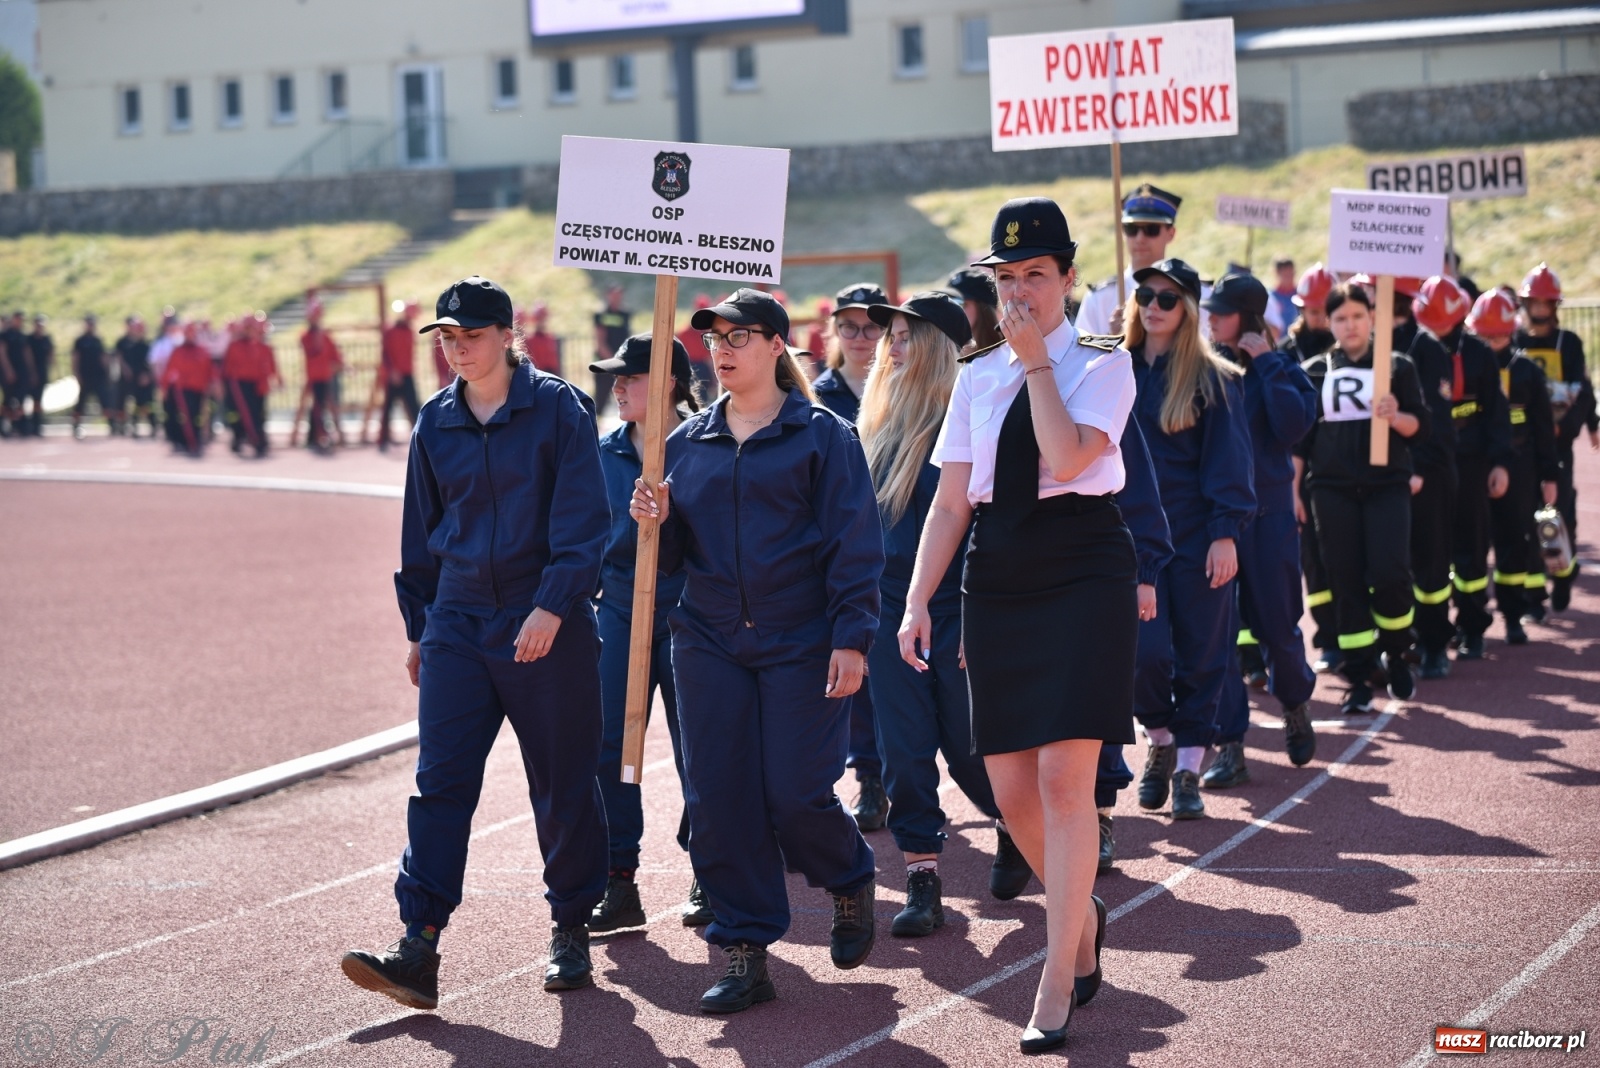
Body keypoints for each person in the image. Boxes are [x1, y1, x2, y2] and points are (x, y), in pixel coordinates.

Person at [342, 276, 611, 1011]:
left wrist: (554, 607)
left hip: (543, 628)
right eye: (448, 339)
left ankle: (570, 928)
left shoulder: (558, 409)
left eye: (471, 336)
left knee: (561, 786)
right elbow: (419, 536)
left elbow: (586, 523)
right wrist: (420, 627)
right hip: (458, 624)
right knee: (440, 785)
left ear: (506, 334)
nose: (458, 349)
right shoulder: (435, 421)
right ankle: (418, 946)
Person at [901, 198, 1131, 1052]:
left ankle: (1056, 971)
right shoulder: (976, 371)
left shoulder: (1102, 361)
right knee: (1009, 793)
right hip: (997, 572)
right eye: (1006, 278)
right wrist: (918, 598)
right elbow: (952, 500)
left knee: (1068, 783)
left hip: (1080, 566)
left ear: (1068, 278)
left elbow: (1070, 458)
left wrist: (1038, 366)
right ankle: (1084, 914)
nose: (1021, 291)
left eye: (1036, 274)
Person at [629, 287, 882, 1015]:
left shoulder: (823, 436)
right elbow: (671, 560)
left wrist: (852, 639)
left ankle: (847, 877)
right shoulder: (681, 444)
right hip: (707, 640)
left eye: (741, 337)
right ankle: (743, 946)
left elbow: (853, 548)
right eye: (715, 339)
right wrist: (658, 521)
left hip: (800, 640)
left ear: (777, 345)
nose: (724, 350)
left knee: (796, 793)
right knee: (718, 796)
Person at [854, 290, 1032, 933]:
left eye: (906, 336)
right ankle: (922, 876)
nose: (891, 347)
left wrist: (975, 613)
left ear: (941, 350)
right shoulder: (870, 425)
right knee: (902, 749)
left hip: (959, 607)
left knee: (968, 747)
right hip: (886, 610)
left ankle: (1016, 827)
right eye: (890, 336)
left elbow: (991, 526)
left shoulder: (980, 418)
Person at [1124, 259, 1255, 821]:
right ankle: (1160, 737)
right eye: (1145, 294)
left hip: (1199, 539)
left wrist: (1225, 534)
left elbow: (1230, 463)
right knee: (1141, 657)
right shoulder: (1111, 370)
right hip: (1131, 545)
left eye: (1168, 298)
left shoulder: (1215, 379)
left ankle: (1187, 769)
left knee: (1203, 657)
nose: (1153, 305)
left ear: (1189, 311)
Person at [585, 333, 705, 933]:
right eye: (615, 378)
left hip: (690, 614)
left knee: (700, 749)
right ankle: (618, 877)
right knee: (609, 747)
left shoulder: (704, 444)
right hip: (619, 614)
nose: (617, 387)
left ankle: (709, 869)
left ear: (667, 387)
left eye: (629, 377)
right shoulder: (602, 454)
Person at [1203, 272, 1318, 784]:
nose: (1210, 320)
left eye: (1221, 313)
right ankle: (1230, 745)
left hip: (1268, 522)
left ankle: (1294, 704)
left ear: (1247, 320)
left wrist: (1267, 362)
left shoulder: (1283, 366)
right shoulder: (1202, 370)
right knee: (1218, 637)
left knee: (1278, 628)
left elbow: (1296, 427)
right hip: (1215, 525)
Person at [1296, 283, 1430, 714]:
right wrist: (1293, 492)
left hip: (1386, 485)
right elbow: (1302, 440)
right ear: (1330, 323)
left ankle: (1396, 649)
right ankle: (1358, 674)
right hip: (1331, 490)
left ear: (1371, 318)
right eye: (1340, 318)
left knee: (1391, 572)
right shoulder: (1315, 370)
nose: (1349, 325)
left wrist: (1397, 415)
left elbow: (1420, 427)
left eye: (1357, 316)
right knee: (1345, 580)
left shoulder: (1397, 366)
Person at [815, 281, 891, 831]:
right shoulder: (816, 397)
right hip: (838, 547)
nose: (860, 337)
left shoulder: (907, 388)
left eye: (872, 326)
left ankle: (912, 770)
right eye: (849, 326)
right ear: (834, 331)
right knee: (855, 659)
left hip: (899, 543)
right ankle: (870, 773)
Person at [1412, 275, 1513, 663]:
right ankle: (1428, 632)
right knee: (1428, 551)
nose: (1436, 327)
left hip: (1471, 464)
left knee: (1471, 549)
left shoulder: (1479, 354)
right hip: (1432, 464)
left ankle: (1472, 628)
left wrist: (1501, 462)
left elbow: (1497, 414)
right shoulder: (1415, 351)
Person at [1471, 290, 1560, 643]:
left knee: (1513, 543)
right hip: (1475, 466)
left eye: (1499, 335)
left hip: (1520, 469)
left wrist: (1550, 475)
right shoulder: (1468, 366)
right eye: (1485, 336)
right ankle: (1469, 623)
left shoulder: (1526, 371)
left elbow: (1543, 429)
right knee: (1472, 548)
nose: (1492, 343)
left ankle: (1512, 615)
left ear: (1512, 332)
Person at [1514, 262, 1596, 613]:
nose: (1541, 310)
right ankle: (1535, 594)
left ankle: (1564, 573)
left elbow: (1583, 389)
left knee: (1560, 515)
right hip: (1522, 444)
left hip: (1559, 443)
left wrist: (1585, 423)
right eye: (1536, 304)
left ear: (1555, 307)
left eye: (1547, 304)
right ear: (1526, 305)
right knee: (1525, 518)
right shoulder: (1513, 341)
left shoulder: (1569, 343)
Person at [1283, 264, 1342, 674]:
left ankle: (1355, 633)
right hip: (1299, 473)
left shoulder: (1347, 355)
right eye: (1313, 311)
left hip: (1339, 468)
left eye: (1325, 311)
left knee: (1346, 558)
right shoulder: (1287, 355)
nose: (1319, 319)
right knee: (1313, 562)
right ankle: (1328, 639)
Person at [1075, 184, 1209, 338]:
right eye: (1131, 229)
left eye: (1151, 229)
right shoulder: (1099, 299)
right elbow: (1081, 357)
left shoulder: (1199, 296)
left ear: (1171, 234)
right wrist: (1112, 341)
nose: (1140, 238)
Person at [222, 314, 277, 458]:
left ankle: (257, 439)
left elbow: (266, 366)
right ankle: (247, 439)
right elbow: (228, 368)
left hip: (256, 385)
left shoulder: (260, 347)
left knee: (257, 414)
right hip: (240, 386)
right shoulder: (236, 346)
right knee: (241, 415)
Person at [162, 322, 215, 457]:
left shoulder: (202, 351)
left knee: (197, 416)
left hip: (198, 389)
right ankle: (189, 442)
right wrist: (165, 388)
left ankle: (195, 439)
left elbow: (209, 370)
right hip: (183, 390)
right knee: (186, 416)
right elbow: (169, 371)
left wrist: (213, 384)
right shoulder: (178, 351)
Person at [379, 301, 422, 452]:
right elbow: (385, 353)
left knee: (414, 406)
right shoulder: (390, 330)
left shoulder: (410, 331)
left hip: (407, 374)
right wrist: (392, 371)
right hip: (393, 375)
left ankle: (421, 438)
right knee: (388, 408)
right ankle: (382, 440)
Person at [301, 304, 342, 454]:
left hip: (326, 376)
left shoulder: (325, 336)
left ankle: (313, 436)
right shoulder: (307, 336)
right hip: (314, 376)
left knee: (321, 406)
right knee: (318, 407)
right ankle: (318, 435)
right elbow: (314, 351)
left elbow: (334, 353)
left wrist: (340, 364)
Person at [70, 314, 112, 440]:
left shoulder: (98, 340)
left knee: (104, 401)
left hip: (98, 376)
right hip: (85, 376)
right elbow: (75, 358)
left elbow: (103, 358)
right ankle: (76, 425)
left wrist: (107, 372)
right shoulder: (80, 341)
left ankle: (111, 425)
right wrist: (77, 374)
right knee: (81, 403)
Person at [114, 315, 156, 439]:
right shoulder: (125, 344)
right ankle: (129, 425)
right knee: (128, 403)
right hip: (130, 379)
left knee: (146, 403)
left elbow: (151, 362)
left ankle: (152, 425)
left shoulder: (147, 345)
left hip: (144, 379)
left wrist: (147, 375)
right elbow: (120, 358)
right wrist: (125, 370)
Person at [592, 284, 631, 415]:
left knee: (625, 396)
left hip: (620, 361)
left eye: (619, 294)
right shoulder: (601, 315)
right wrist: (612, 360)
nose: (617, 297)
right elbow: (600, 341)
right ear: (608, 295)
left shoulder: (625, 314)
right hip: (605, 362)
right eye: (614, 294)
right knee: (601, 397)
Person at [946, 266, 1003, 353]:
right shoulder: (942, 353)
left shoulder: (1009, 352)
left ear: (984, 309)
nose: (952, 310)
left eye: (961, 304)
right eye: (949, 303)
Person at [677, 294, 718, 396]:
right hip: (696, 368)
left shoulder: (685, 332)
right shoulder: (705, 334)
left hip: (692, 368)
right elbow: (709, 359)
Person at [24, 314, 53, 437]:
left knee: (38, 400)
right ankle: (23, 425)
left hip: (42, 372)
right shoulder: (29, 339)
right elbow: (27, 355)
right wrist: (32, 372)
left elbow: (50, 355)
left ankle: (37, 425)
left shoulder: (46, 339)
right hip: (29, 372)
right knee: (25, 399)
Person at [524, 303, 563, 377]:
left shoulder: (551, 338)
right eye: (539, 319)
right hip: (536, 376)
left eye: (544, 319)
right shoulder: (530, 340)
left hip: (551, 375)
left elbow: (554, 363)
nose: (542, 322)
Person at [1264, 256, 1298, 337]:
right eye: (1285, 275)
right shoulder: (1270, 298)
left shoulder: (1301, 295)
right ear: (1277, 274)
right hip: (1279, 343)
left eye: (1291, 274)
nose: (1289, 278)